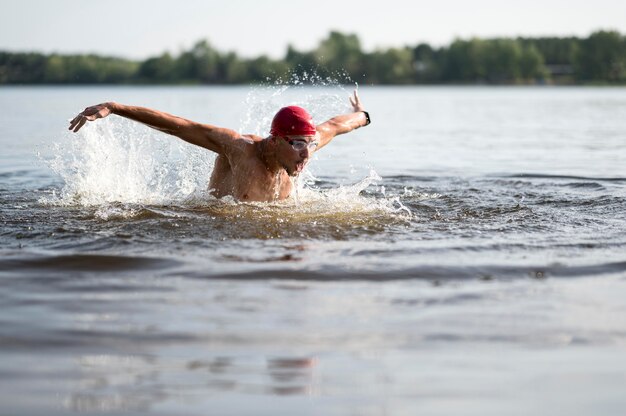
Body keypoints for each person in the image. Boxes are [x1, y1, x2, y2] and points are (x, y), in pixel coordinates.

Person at [69, 90, 370, 202]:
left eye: (310, 144)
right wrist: (116, 107)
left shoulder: (300, 149)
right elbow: (181, 126)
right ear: (277, 140)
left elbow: (336, 125)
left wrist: (362, 115)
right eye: (298, 145)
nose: (306, 154)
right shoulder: (239, 149)